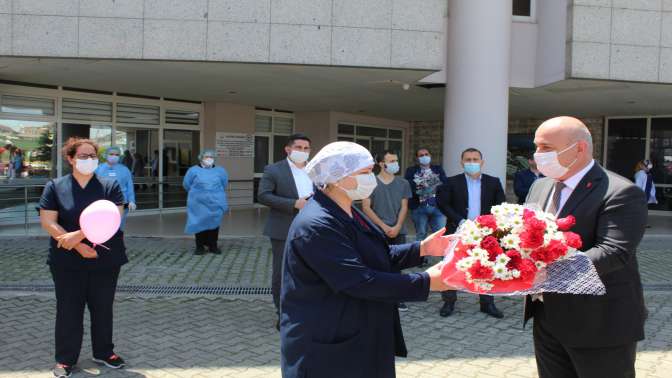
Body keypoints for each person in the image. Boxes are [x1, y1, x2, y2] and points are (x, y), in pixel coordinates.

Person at [280, 141, 454, 378]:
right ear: (336, 177)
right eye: (364, 173)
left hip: (360, 331)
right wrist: (426, 282)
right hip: (329, 345)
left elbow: (375, 255)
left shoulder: (347, 209)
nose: (370, 178)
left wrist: (421, 248)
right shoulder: (316, 224)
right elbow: (358, 280)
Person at [524, 116, 648, 378]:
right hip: (547, 316)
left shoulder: (620, 191)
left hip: (600, 322)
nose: (538, 155)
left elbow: (613, 252)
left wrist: (547, 272)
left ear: (579, 148)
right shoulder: (540, 186)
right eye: (536, 147)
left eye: (546, 148)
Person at [38, 137, 128, 378]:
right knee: (69, 309)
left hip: (105, 258)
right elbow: (48, 221)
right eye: (83, 156)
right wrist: (78, 247)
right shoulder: (55, 186)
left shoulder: (110, 186)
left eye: (93, 156)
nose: (89, 160)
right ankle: (66, 360)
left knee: (102, 307)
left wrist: (76, 237)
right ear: (70, 159)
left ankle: (104, 352)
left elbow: (113, 220)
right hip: (66, 261)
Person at [435, 148, 505, 319]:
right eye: (468, 159)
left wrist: (489, 224)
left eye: (475, 159)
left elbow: (500, 205)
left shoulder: (493, 182)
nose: (472, 162)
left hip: (485, 232)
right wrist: (460, 221)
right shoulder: (451, 182)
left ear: (482, 162)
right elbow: (443, 204)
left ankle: (487, 303)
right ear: (462, 162)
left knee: (486, 267)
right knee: (451, 266)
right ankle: (449, 301)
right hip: (457, 230)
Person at [257, 133, 313, 330]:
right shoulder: (274, 170)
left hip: (312, 229)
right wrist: (294, 204)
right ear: (288, 149)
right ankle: (284, 314)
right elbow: (263, 195)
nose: (303, 152)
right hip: (283, 228)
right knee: (282, 273)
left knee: (309, 271)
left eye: (306, 148)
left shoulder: (315, 169)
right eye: (299, 148)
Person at [362, 150, 413, 311]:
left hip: (399, 230)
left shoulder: (403, 183)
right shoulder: (370, 182)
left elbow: (404, 207)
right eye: (391, 161)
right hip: (377, 230)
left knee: (397, 265)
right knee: (378, 263)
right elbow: (366, 207)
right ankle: (380, 295)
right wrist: (383, 227)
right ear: (381, 163)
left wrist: (397, 226)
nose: (394, 164)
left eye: (396, 160)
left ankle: (397, 297)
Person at [183, 149, 228, 255]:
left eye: (211, 157)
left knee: (214, 224)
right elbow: (186, 184)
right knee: (199, 223)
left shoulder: (220, 170)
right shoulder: (193, 170)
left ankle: (213, 246)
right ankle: (200, 246)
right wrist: (199, 194)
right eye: (206, 157)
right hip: (198, 203)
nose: (209, 159)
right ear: (201, 158)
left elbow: (224, 184)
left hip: (215, 202)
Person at [405, 148, 448, 244]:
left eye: (426, 154)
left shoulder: (438, 169)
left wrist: (422, 183)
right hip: (419, 208)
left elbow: (444, 184)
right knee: (421, 235)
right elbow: (410, 186)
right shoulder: (411, 170)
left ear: (430, 156)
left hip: (437, 208)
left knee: (441, 236)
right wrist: (434, 182)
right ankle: (420, 259)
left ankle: (444, 258)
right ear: (417, 158)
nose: (424, 156)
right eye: (421, 155)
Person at [95, 146, 136, 230]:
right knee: (104, 228)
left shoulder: (124, 170)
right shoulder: (98, 169)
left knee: (119, 228)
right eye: (111, 154)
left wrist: (131, 201)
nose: (114, 156)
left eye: (117, 154)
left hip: (121, 202)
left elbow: (129, 186)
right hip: (103, 203)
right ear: (105, 155)